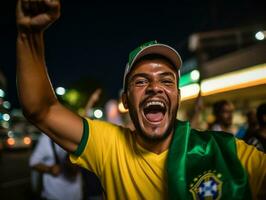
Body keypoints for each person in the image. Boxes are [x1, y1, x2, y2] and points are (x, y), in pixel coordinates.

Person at [16, 0, 266, 199]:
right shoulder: (109, 146)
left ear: (177, 97)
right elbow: (41, 109)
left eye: (167, 81)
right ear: (125, 100)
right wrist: (29, 34)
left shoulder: (228, 153)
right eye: (141, 81)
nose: (155, 87)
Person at [30, 134, 83, 200]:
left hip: (76, 194)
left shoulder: (76, 134)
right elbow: (33, 162)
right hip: (54, 194)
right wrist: (49, 169)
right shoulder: (46, 138)